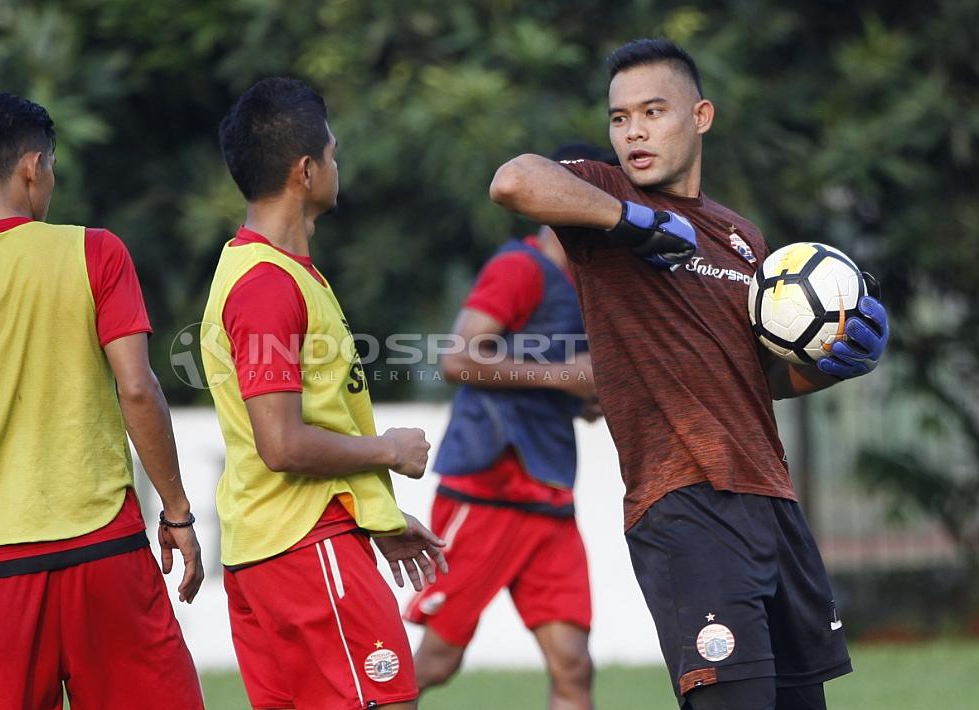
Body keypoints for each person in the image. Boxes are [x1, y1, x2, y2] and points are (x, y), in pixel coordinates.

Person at [490, 39, 890, 710]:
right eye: (620, 118)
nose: (634, 131)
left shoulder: (745, 239)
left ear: (701, 115)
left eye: (653, 111)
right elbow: (515, 179)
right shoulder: (606, 197)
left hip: (773, 503)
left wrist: (835, 367)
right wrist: (630, 223)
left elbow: (757, 377)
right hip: (687, 505)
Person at [0, 88, 205, 709]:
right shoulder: (94, 252)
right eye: (49, 167)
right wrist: (178, 511)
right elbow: (137, 387)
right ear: (33, 166)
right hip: (105, 552)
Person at [202, 76, 447, 710]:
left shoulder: (278, 273)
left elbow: (315, 419)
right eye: (333, 155)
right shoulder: (265, 286)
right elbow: (281, 443)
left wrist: (377, 517)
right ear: (306, 172)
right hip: (304, 550)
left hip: (285, 547)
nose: (339, 166)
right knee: (387, 701)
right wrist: (387, 450)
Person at [406, 144, 611, 710]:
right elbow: (457, 359)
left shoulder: (591, 284)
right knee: (437, 663)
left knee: (574, 666)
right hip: (488, 489)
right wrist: (565, 377)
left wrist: (588, 398)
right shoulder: (520, 267)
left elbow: (567, 381)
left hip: (549, 496)